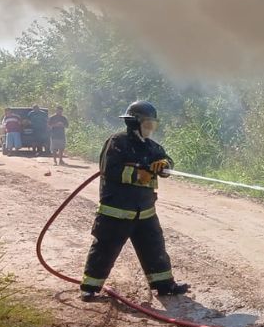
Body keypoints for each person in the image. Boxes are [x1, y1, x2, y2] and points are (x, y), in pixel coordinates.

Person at [79, 101, 190, 301]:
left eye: (153, 124)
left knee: (154, 248)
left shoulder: (151, 146)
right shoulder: (117, 142)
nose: (150, 128)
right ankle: (90, 288)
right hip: (116, 211)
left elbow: (167, 164)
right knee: (105, 249)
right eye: (147, 124)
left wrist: (165, 164)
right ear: (134, 123)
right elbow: (109, 170)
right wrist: (138, 175)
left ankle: (165, 285)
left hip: (145, 211)